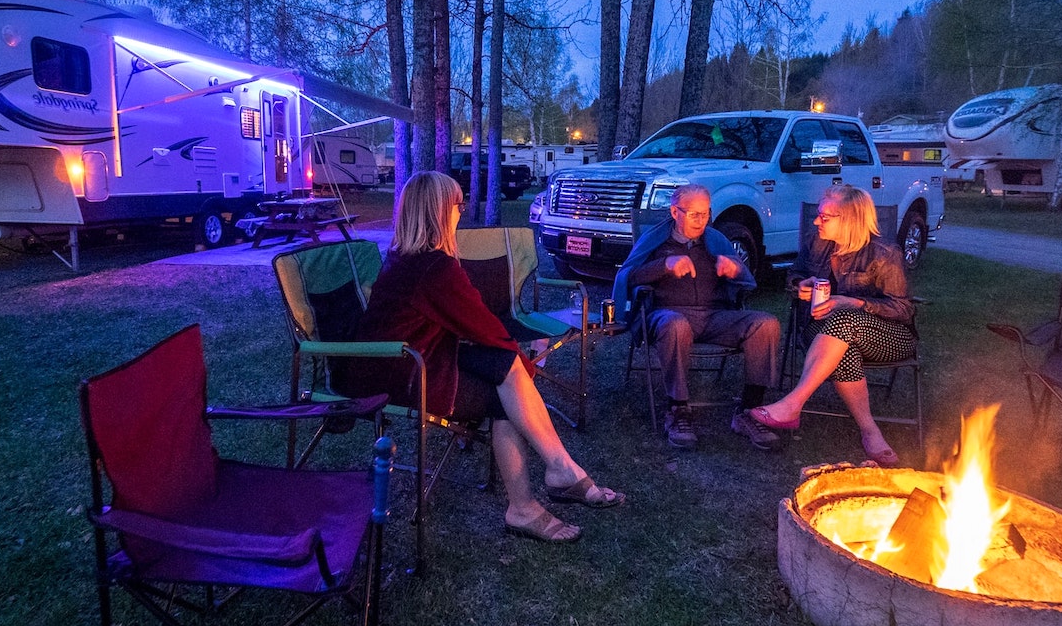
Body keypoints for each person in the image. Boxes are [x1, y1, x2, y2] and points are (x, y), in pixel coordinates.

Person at [337, 171, 623, 544]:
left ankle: (557, 473)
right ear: (439, 212)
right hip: (401, 372)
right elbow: (481, 325)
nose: (461, 212)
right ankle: (535, 495)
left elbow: (471, 325)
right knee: (505, 391)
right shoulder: (433, 269)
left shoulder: (408, 259)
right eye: (458, 205)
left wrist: (514, 355)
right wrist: (522, 353)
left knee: (507, 367)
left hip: (406, 360)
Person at [744, 184, 917, 466]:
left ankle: (792, 404)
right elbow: (795, 275)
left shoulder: (884, 254)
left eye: (825, 217)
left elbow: (903, 309)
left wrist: (854, 303)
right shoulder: (817, 244)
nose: (816, 221)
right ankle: (869, 429)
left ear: (850, 219)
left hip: (886, 335)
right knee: (842, 342)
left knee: (843, 318)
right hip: (823, 334)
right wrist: (801, 285)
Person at [611, 184, 783, 450]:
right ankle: (678, 410)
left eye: (706, 214)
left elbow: (747, 283)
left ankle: (750, 411)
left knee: (765, 324)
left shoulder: (715, 241)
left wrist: (735, 269)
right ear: (674, 212)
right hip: (667, 314)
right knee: (676, 324)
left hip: (715, 316)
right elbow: (628, 277)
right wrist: (664, 266)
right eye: (694, 214)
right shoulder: (657, 241)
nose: (701, 221)